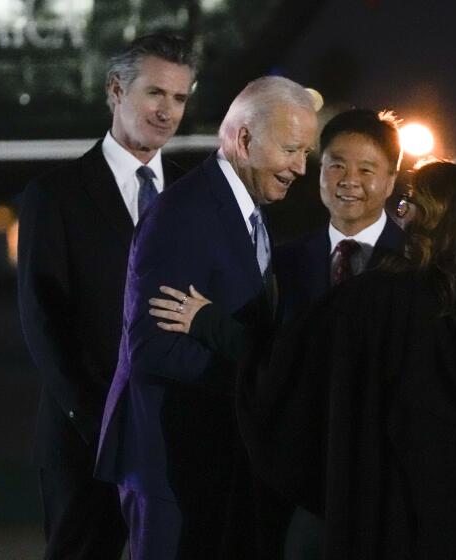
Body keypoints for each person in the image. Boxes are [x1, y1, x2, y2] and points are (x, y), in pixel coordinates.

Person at [238, 162, 456, 558]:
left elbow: (284, 380)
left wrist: (215, 329)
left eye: (412, 204)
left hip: (382, 532)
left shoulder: (373, 302)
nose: (402, 214)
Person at [147, 107, 407, 559]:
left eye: (366, 169)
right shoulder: (282, 263)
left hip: (383, 480)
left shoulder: (415, 264)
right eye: (335, 165)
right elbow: (267, 357)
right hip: (296, 481)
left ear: (390, 178)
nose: (349, 180)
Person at [94, 76, 317, 559]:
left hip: (214, 461)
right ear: (244, 139)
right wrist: (258, 384)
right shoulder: (184, 214)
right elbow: (152, 348)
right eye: (292, 150)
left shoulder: (245, 210)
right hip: (170, 467)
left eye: (305, 153)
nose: (301, 167)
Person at [16, 33, 195, 560]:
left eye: (180, 99)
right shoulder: (54, 194)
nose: (168, 111)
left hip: (173, 438)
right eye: (155, 94)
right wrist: (95, 421)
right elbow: (41, 319)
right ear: (116, 90)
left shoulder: (193, 196)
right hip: (83, 440)